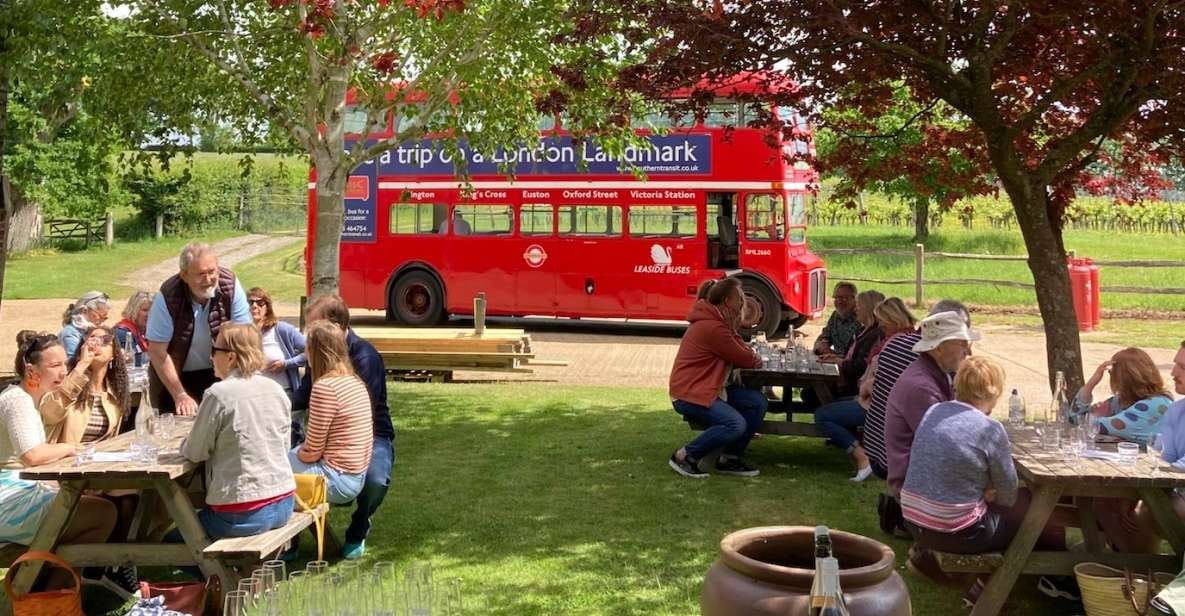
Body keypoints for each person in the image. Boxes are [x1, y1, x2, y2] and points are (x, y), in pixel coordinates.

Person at [901, 356, 1065, 591]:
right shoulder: (989, 428)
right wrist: (990, 492)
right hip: (959, 532)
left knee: (1018, 508)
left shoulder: (934, 411)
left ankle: (987, 579)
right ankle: (1042, 580)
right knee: (1038, 507)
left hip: (915, 522)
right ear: (993, 392)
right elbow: (1008, 496)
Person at [1, 332, 119, 592]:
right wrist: (70, 448)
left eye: (65, 363)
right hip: (7, 501)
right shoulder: (18, 400)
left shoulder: (32, 398)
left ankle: (46, 591)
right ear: (31, 370)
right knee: (102, 513)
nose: (63, 371)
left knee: (96, 508)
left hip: (20, 491)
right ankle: (50, 594)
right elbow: (32, 456)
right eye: (55, 365)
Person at [291, 295, 392, 560]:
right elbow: (302, 397)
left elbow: (361, 416)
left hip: (371, 434)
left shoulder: (365, 357)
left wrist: (313, 451)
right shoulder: (334, 366)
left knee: (374, 478)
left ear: (334, 328)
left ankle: (359, 527)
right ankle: (291, 541)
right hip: (335, 439)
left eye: (313, 328)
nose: (306, 339)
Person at [175, 324, 294, 547]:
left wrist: (182, 444)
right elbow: (284, 447)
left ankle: (218, 578)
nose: (211, 357)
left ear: (230, 357)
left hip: (241, 511)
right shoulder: (277, 390)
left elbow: (195, 452)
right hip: (283, 502)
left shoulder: (218, 394)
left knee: (169, 542)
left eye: (214, 350)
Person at [668, 277, 767, 479]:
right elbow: (746, 358)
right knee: (735, 424)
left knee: (757, 402)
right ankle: (684, 456)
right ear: (727, 301)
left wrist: (734, 329)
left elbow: (740, 350)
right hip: (691, 393)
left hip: (706, 388)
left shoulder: (719, 324)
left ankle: (729, 458)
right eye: (739, 298)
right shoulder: (714, 328)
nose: (743, 302)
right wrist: (752, 356)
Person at [814, 296, 914, 482]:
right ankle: (861, 449)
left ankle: (862, 457)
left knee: (822, 414)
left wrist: (864, 390)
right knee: (823, 401)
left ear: (893, 319)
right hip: (874, 401)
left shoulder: (897, 344)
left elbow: (882, 381)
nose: (880, 325)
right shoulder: (899, 338)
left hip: (878, 406)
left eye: (883, 321)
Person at [146, 242, 251, 416]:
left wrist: (240, 380)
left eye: (212, 271)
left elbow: (244, 335)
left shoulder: (230, 285)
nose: (209, 280)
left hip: (220, 373)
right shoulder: (168, 296)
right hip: (175, 378)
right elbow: (157, 351)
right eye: (201, 274)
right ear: (184, 275)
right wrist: (180, 395)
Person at [884, 310, 979, 496]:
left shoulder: (936, 373)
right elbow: (949, 446)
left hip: (928, 479)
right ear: (938, 348)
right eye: (962, 343)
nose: (968, 351)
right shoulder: (922, 388)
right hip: (921, 490)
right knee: (1015, 498)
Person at [289, 321, 373, 505]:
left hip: (336, 479)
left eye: (307, 347)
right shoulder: (353, 381)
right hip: (356, 476)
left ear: (316, 352)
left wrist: (298, 454)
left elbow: (312, 451)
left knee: (270, 468)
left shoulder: (325, 388)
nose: (304, 352)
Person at [39, 326, 129, 445]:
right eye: (92, 339)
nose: (97, 344)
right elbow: (50, 413)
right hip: (65, 454)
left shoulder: (114, 395)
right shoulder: (64, 381)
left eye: (105, 340)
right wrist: (82, 364)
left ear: (113, 355)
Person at [1071, 347, 1173, 445]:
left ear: (1123, 378)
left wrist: (1095, 416)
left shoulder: (1156, 405)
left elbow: (1090, 426)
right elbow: (1074, 419)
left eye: (1112, 373)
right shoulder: (1122, 400)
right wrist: (1090, 385)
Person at [248, 287, 307, 400]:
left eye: (260, 303)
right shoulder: (243, 332)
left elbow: (313, 350)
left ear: (268, 307)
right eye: (250, 302)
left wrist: (286, 364)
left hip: (282, 393)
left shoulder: (282, 329)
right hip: (254, 396)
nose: (254, 306)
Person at [814, 282, 861, 358]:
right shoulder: (835, 315)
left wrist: (834, 355)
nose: (839, 301)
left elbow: (859, 357)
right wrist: (823, 344)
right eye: (836, 297)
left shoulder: (862, 319)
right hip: (836, 361)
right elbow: (824, 335)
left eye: (844, 298)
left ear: (855, 299)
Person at [59, 290, 112, 357]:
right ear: (84, 310)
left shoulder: (91, 330)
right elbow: (73, 361)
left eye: (105, 318)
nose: (102, 321)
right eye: (100, 316)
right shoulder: (70, 334)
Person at [114, 290, 154, 368]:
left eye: (153, 310)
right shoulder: (121, 333)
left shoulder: (148, 331)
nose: (150, 314)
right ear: (133, 310)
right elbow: (131, 362)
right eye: (145, 310)